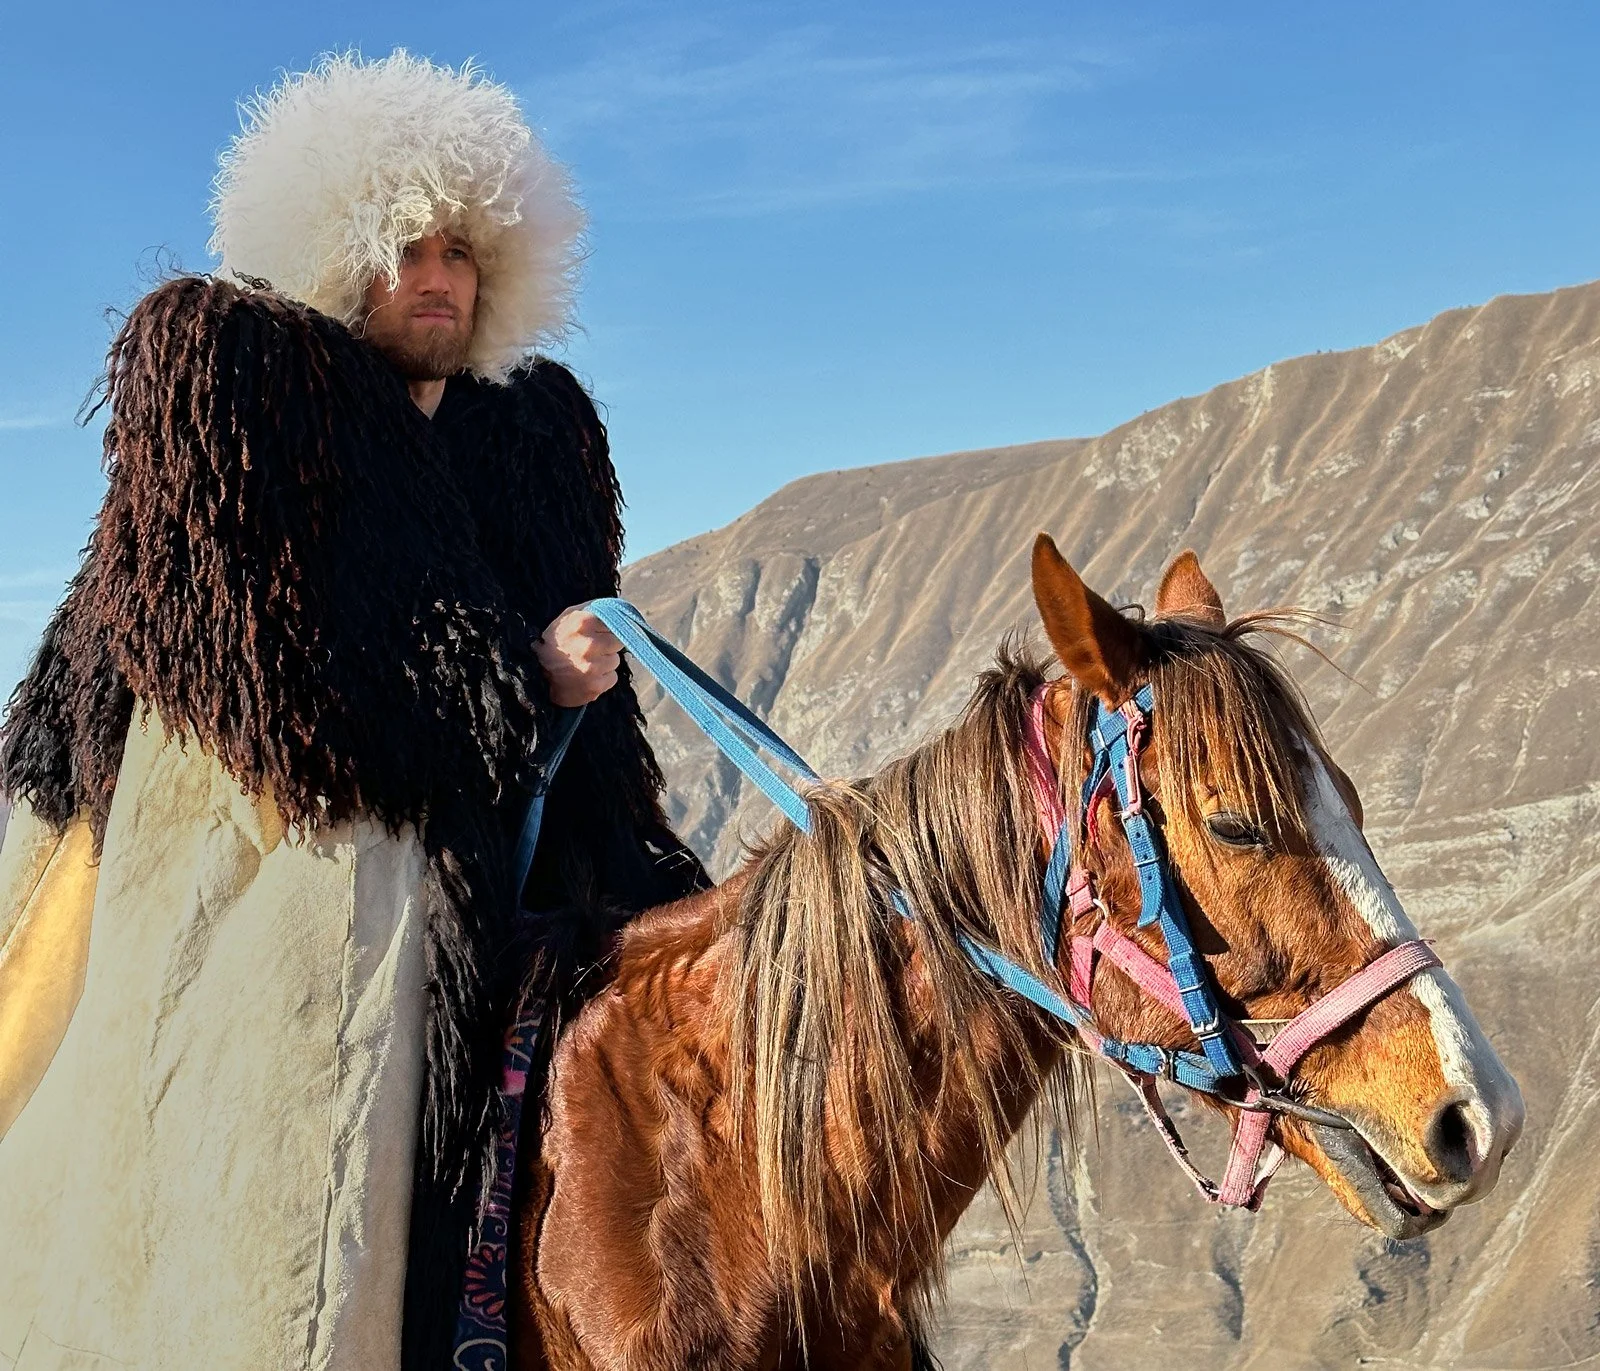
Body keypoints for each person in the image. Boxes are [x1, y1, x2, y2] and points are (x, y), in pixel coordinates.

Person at [0, 51, 704, 1371]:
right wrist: (514, 672)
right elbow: (273, 669)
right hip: (287, 870)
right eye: (400, 245)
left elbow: (586, 735)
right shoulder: (244, 403)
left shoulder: (530, 442)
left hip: (506, 860)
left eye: (458, 246)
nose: (435, 274)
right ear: (333, 250)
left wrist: (645, 858)